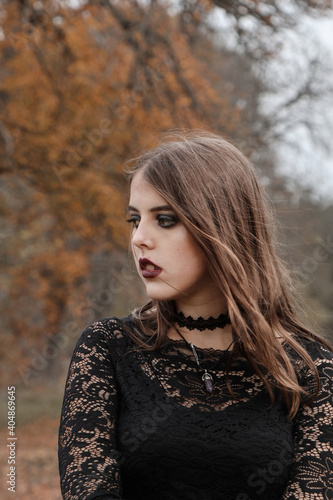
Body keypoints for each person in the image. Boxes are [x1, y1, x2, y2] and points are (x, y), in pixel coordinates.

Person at [58, 131, 333, 500]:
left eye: (165, 219)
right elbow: (88, 489)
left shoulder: (311, 369)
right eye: (135, 219)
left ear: (222, 227)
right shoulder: (108, 349)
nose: (139, 238)